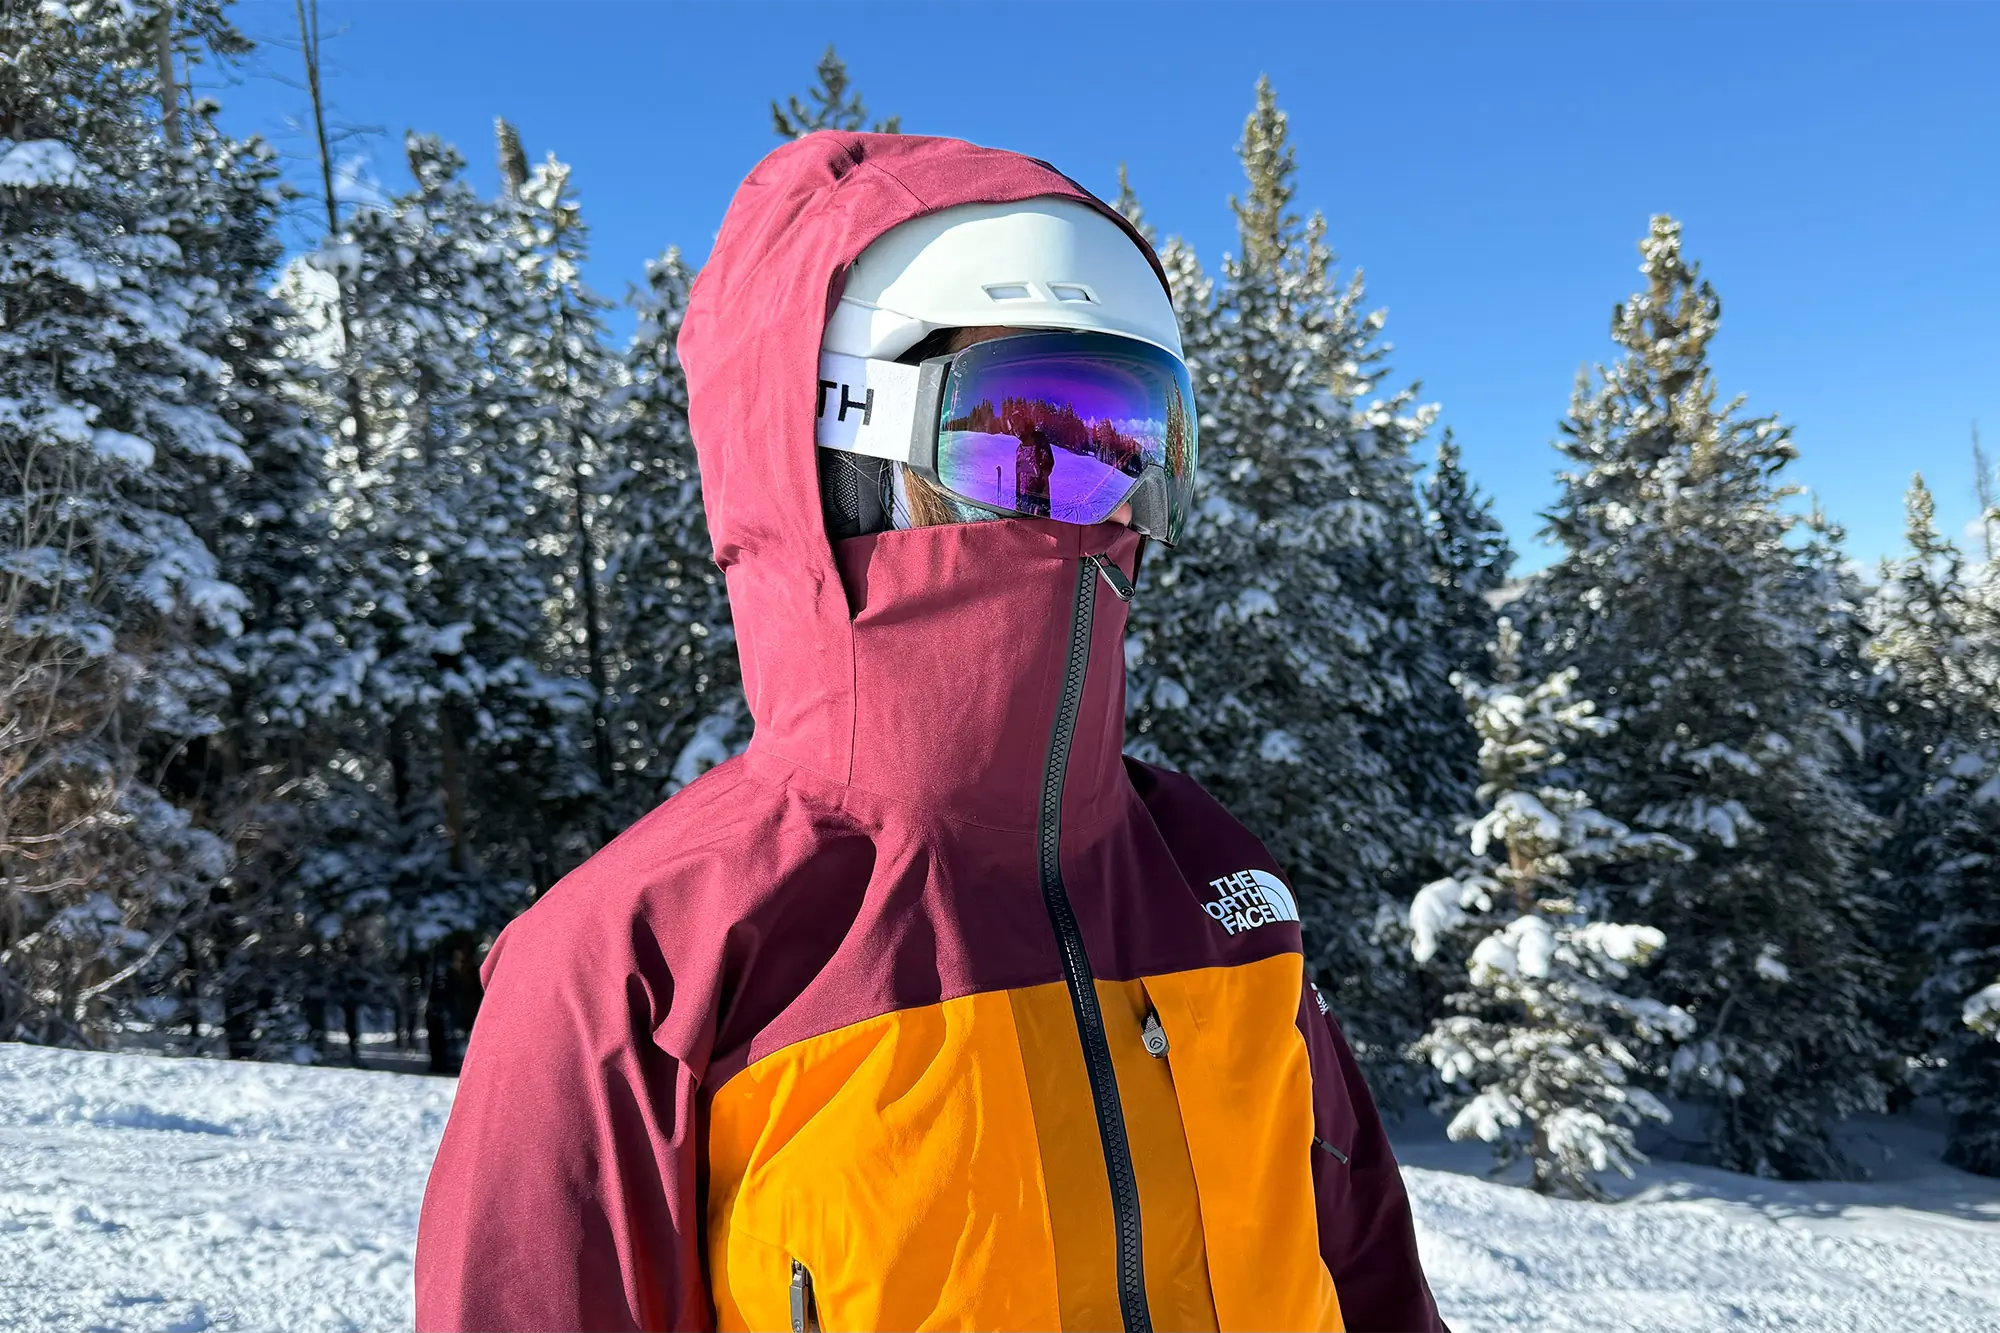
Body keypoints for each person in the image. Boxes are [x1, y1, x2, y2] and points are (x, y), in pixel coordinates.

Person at [415, 131, 1445, 1333]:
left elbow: (1366, 1275)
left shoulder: (1215, 879)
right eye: (1031, 438)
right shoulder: (638, 962)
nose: (1097, 510)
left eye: (1134, 446)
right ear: (844, 451)